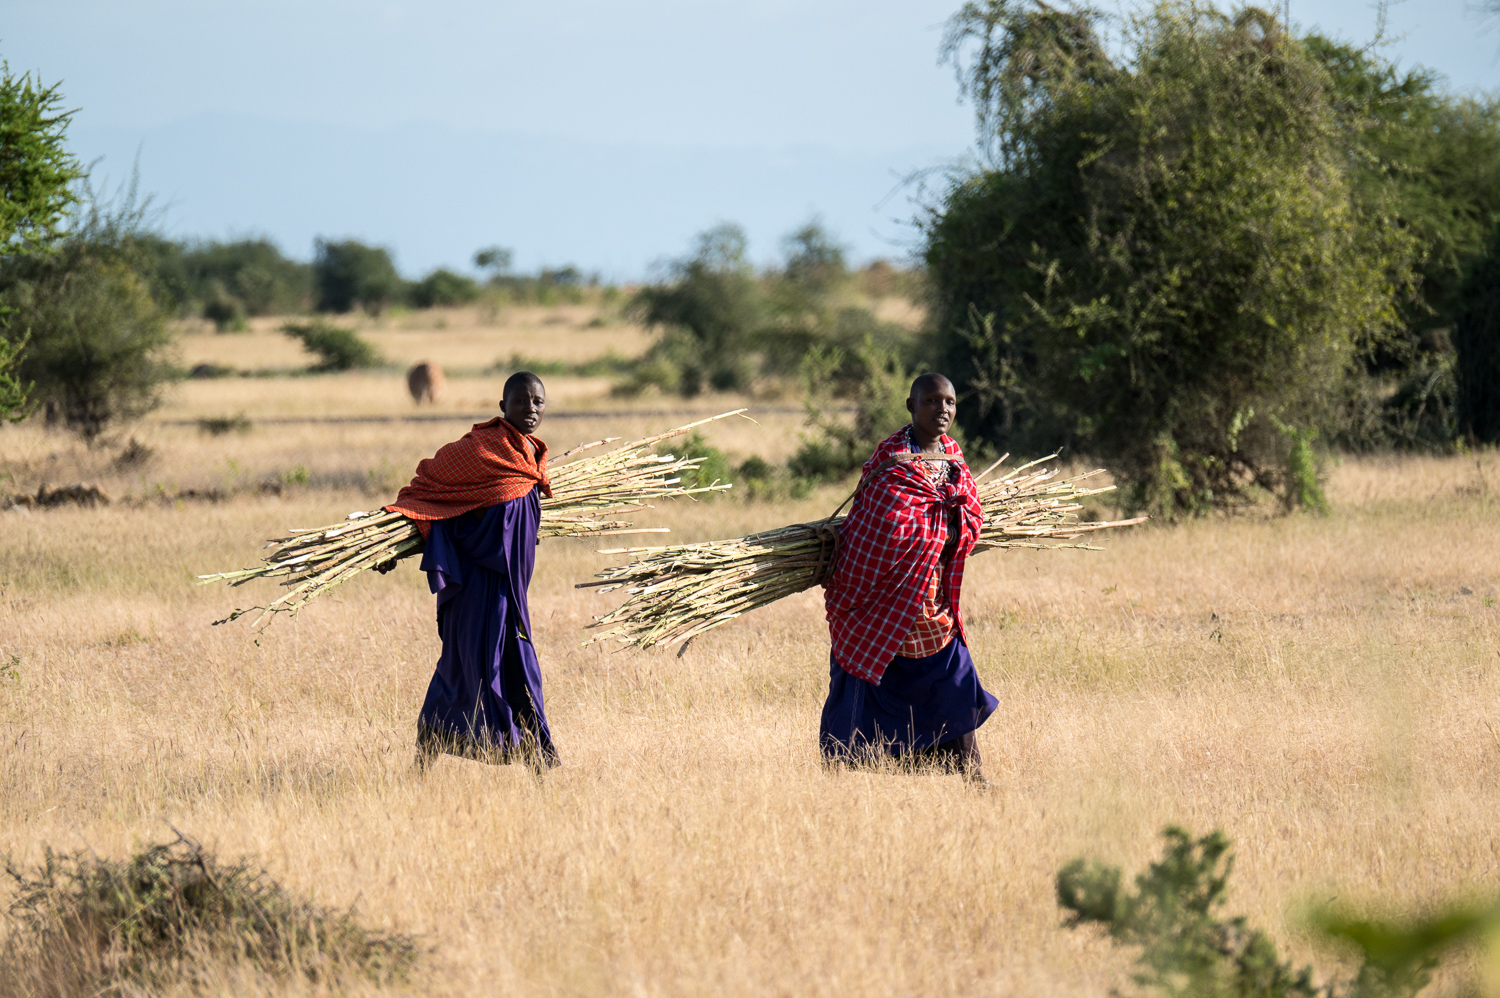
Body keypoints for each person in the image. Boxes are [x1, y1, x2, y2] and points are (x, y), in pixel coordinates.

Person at [819, 372, 998, 782]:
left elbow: (971, 516)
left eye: (950, 402)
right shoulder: (893, 461)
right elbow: (886, 528)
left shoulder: (953, 456)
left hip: (933, 603)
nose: (943, 410)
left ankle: (973, 777)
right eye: (932, 401)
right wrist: (941, 528)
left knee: (956, 678)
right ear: (911, 406)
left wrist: (951, 527)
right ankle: (845, 767)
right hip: (883, 600)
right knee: (868, 685)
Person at [385, 371, 558, 771]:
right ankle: (422, 763)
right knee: (463, 671)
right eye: (520, 401)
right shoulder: (478, 450)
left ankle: (540, 773)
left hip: (512, 593)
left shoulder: (532, 458)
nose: (530, 409)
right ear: (502, 407)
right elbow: (429, 481)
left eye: (537, 402)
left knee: (521, 673)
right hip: (476, 589)